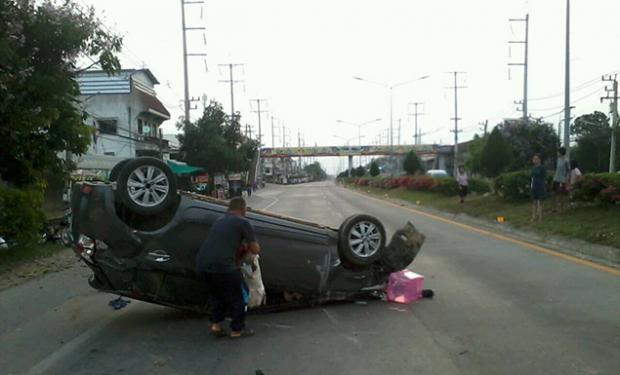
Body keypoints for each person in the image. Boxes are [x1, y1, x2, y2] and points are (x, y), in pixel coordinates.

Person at [195, 197, 261, 339]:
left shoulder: (219, 221)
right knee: (241, 295)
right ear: (243, 209)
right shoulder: (243, 222)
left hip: (202, 264)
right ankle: (237, 330)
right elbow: (255, 249)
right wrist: (250, 247)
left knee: (217, 295)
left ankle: (216, 325)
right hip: (223, 265)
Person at [552, 146, 570, 213]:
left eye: (558, 152)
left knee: (561, 195)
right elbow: (556, 170)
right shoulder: (557, 160)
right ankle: (555, 208)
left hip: (562, 180)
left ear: (561, 152)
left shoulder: (566, 160)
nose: (557, 153)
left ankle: (562, 209)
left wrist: (566, 180)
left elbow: (568, 171)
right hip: (555, 179)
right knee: (554, 193)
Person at [531, 154, 546, 222]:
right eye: (534, 159)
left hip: (540, 186)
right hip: (534, 186)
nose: (535, 160)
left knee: (540, 202)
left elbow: (544, 177)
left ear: (539, 160)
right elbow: (532, 177)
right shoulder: (533, 168)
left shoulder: (542, 167)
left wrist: (543, 186)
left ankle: (540, 217)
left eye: (536, 159)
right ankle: (534, 216)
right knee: (534, 202)